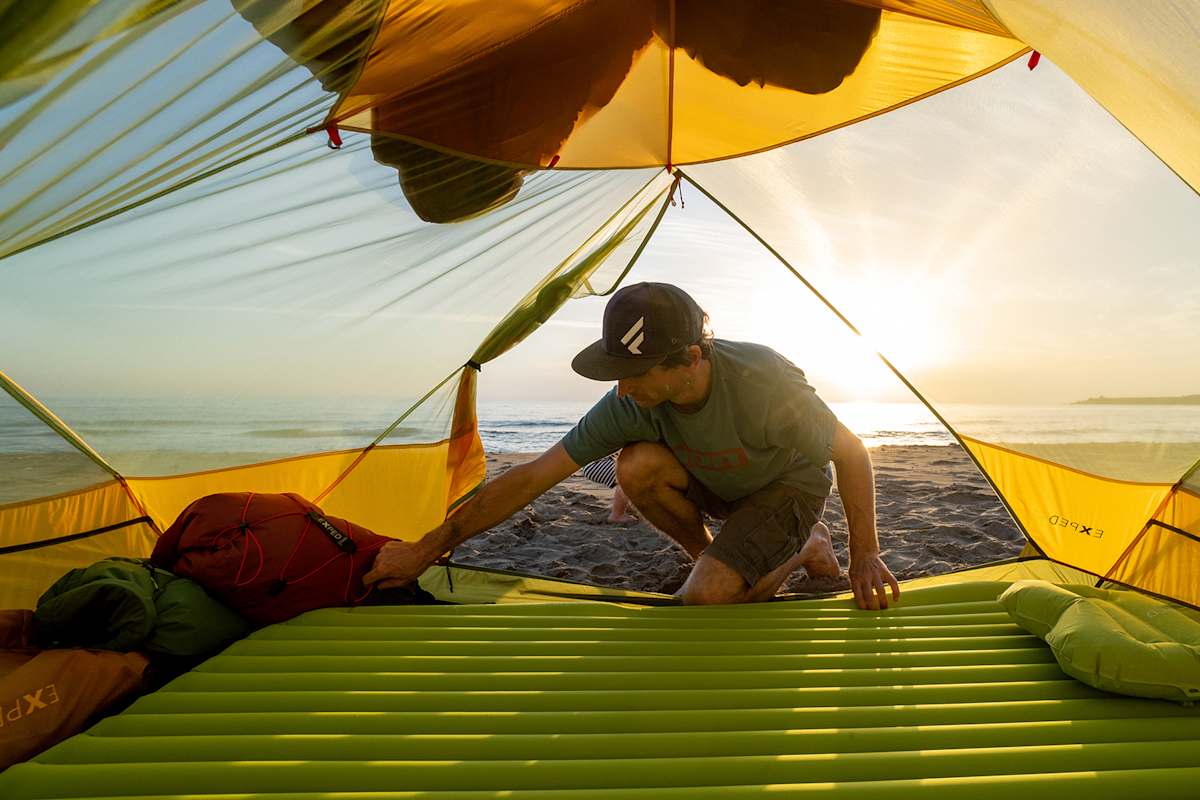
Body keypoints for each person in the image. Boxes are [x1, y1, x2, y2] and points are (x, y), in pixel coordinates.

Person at [366, 282, 900, 609]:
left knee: (710, 599)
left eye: (634, 374)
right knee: (637, 465)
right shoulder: (631, 401)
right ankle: (713, 560)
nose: (621, 389)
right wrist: (425, 549)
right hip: (720, 485)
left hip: (786, 485)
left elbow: (850, 452)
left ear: (691, 359)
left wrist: (867, 555)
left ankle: (808, 544)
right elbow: (532, 476)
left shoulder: (763, 382)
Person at [579, 452, 639, 525]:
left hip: (594, 462)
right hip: (597, 464)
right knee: (628, 477)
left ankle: (627, 507)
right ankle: (617, 515)